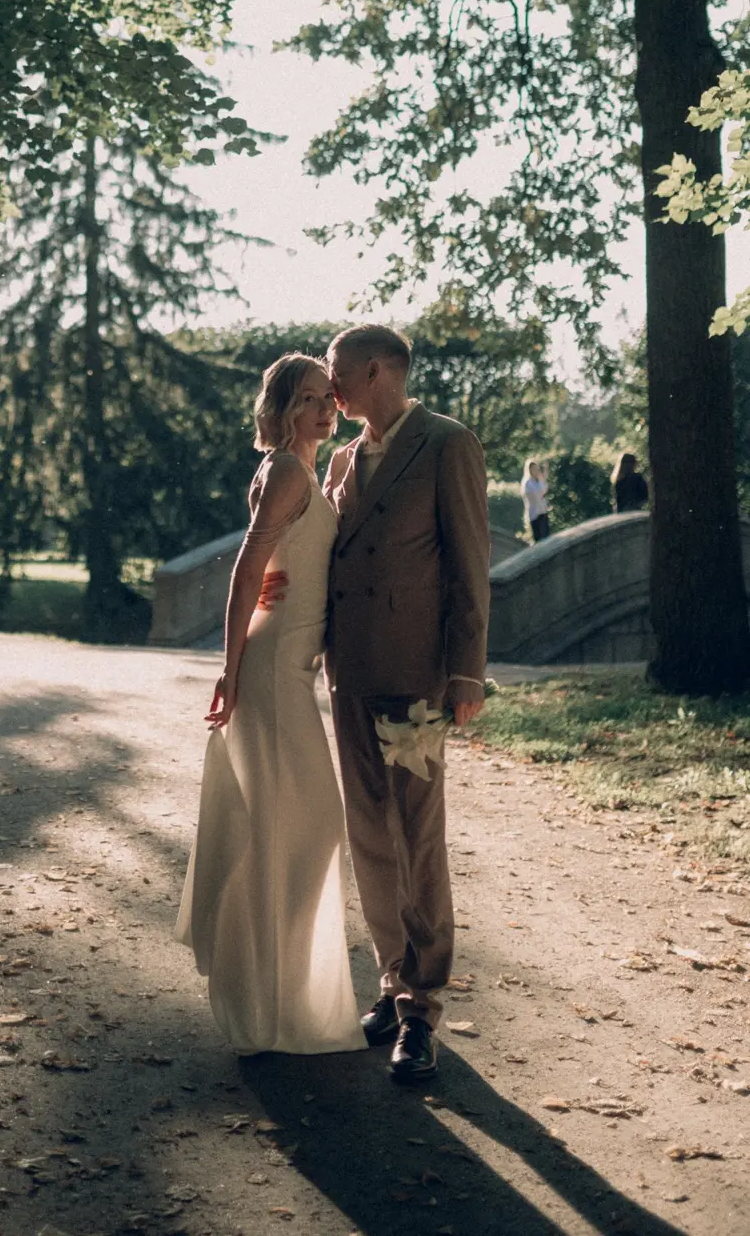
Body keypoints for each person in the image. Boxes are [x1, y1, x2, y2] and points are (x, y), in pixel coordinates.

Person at [176, 354, 366, 1056]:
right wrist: (229, 671)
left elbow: (290, 558)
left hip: (293, 667)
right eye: (306, 399)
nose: (322, 410)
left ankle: (274, 994)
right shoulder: (286, 470)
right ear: (281, 409)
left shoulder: (308, 472)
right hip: (272, 671)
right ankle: (270, 1000)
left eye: (327, 398)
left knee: (289, 832)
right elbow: (246, 568)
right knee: (307, 829)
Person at [321, 324, 490, 1084]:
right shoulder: (341, 458)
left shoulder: (447, 444)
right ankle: (393, 982)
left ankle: (422, 1006)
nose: (330, 384)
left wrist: (466, 673)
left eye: (337, 370)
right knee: (368, 832)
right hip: (349, 673)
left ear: (378, 370)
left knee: (416, 834)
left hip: (416, 676)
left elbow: (469, 566)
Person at [521, 458, 550, 543]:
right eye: (534, 469)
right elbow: (537, 494)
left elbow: (544, 490)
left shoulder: (539, 480)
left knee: (546, 537)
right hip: (535, 514)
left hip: (543, 511)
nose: (536, 471)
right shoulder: (528, 483)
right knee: (539, 538)